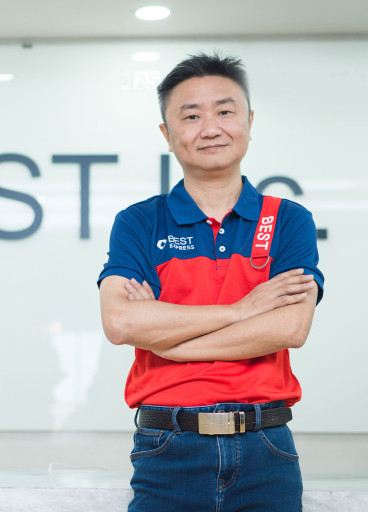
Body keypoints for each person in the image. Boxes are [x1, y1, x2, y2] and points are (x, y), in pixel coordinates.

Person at [97, 52, 324, 511]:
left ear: (249, 121)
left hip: (266, 446)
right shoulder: (139, 222)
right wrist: (241, 310)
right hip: (168, 447)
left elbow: (289, 328)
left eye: (224, 111)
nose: (210, 128)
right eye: (191, 116)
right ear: (167, 134)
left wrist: (170, 343)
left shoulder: (288, 219)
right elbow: (122, 323)